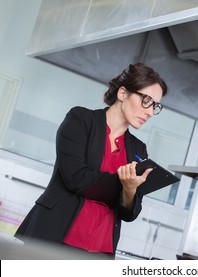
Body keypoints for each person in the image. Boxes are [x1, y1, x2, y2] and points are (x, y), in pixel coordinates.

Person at [15, 63, 168, 259]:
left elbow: (130, 213)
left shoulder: (138, 148)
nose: (149, 111)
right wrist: (124, 186)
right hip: (52, 239)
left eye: (156, 106)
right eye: (146, 100)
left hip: (99, 252)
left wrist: (130, 190)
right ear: (123, 94)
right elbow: (76, 178)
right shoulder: (80, 120)